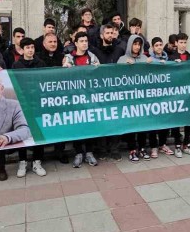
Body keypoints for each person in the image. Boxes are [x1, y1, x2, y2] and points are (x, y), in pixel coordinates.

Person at [10, 37, 48, 177]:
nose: (30, 50)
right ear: (22, 49)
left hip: (38, 103)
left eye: (32, 47)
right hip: (22, 105)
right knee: (22, 133)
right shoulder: (16, 65)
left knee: (38, 133)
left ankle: (37, 162)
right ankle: (23, 161)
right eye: (27, 48)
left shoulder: (41, 63)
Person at [62, 31, 100, 167]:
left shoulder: (93, 57)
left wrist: (98, 68)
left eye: (86, 41)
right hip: (74, 98)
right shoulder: (68, 58)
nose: (84, 43)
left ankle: (89, 153)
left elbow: (99, 76)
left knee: (90, 124)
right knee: (76, 125)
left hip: (90, 97)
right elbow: (63, 77)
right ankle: (78, 153)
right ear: (76, 43)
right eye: (82, 41)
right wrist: (65, 69)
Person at [90, 24, 125, 161]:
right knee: (101, 120)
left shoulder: (119, 50)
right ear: (101, 35)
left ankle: (115, 148)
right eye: (108, 33)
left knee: (116, 120)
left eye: (112, 32)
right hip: (99, 92)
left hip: (115, 92)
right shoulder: (95, 51)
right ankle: (102, 149)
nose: (110, 35)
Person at [117, 34, 154, 162]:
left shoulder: (145, 58)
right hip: (129, 99)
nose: (137, 47)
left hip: (143, 98)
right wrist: (123, 67)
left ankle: (142, 148)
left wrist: (152, 63)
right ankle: (132, 149)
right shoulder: (122, 59)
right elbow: (115, 77)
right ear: (130, 44)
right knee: (131, 125)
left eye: (139, 44)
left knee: (143, 124)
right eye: (135, 44)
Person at [38, 32, 70, 164]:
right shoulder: (37, 57)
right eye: (50, 42)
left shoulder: (62, 57)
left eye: (55, 42)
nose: (53, 44)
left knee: (60, 123)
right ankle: (39, 155)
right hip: (43, 96)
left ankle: (60, 151)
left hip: (59, 97)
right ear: (44, 44)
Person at [167, 33, 190, 157]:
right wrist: (173, 64)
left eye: (185, 42)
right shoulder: (171, 57)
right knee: (176, 121)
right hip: (176, 94)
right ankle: (177, 146)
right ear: (176, 43)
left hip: (189, 93)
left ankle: (187, 144)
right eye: (181, 42)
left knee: (189, 120)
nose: (183, 45)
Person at [148, 37, 173, 157]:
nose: (159, 47)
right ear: (153, 47)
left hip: (165, 95)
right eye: (156, 45)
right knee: (153, 123)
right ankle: (153, 147)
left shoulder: (168, 58)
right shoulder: (149, 60)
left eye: (160, 44)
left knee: (165, 121)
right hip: (152, 96)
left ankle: (163, 144)